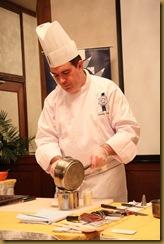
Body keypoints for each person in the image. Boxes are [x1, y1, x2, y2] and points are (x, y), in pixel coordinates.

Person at [35, 21, 140, 202]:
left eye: (65, 73)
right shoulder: (52, 100)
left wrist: (105, 149)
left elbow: (128, 130)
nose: (61, 80)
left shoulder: (107, 89)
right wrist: (55, 161)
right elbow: (45, 139)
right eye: (55, 75)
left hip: (105, 181)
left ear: (80, 65)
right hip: (67, 185)